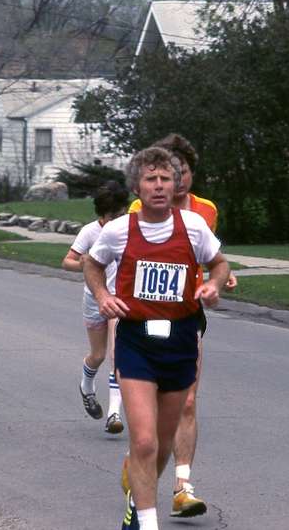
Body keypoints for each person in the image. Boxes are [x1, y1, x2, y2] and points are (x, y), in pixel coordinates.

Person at [84, 147, 229, 530]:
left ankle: (137, 493)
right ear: (138, 185)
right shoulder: (119, 230)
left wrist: (214, 285)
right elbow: (91, 262)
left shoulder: (193, 227)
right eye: (151, 179)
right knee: (144, 441)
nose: (160, 185)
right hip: (136, 340)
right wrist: (102, 296)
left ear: (176, 183)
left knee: (163, 445)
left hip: (181, 338)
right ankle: (147, 522)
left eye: (166, 178)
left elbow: (219, 262)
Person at [128, 133, 236, 517]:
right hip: (144, 321)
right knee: (152, 419)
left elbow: (211, 258)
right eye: (167, 172)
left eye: (182, 171)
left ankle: (182, 487)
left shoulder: (205, 210)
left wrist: (217, 279)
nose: (175, 178)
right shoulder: (138, 209)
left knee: (188, 398)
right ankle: (142, 459)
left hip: (189, 314)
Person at [62, 180, 131, 434]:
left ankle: (114, 413)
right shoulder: (90, 232)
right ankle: (86, 386)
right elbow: (66, 261)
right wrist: (83, 263)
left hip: (119, 300)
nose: (118, 220)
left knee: (117, 356)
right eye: (114, 216)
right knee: (98, 355)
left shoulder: (127, 229)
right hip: (94, 299)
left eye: (122, 214)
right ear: (103, 214)